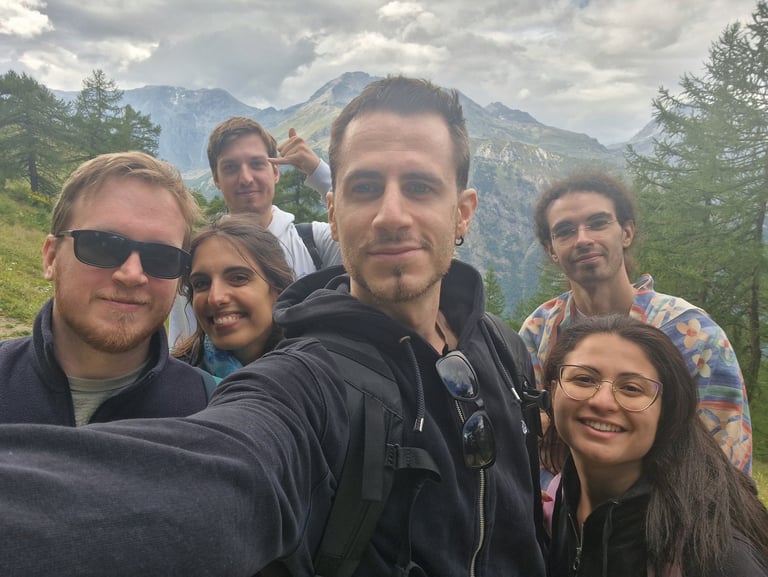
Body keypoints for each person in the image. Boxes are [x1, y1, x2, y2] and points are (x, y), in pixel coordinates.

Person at [0, 76, 545, 577]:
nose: (392, 215)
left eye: (421, 186)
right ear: (334, 212)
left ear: (463, 211)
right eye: (364, 188)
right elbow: (228, 472)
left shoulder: (500, 347)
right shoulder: (301, 381)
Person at [519, 171, 752, 473]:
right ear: (552, 250)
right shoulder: (539, 331)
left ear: (626, 233)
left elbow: (727, 461)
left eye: (598, 223)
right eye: (565, 231)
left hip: (669, 500)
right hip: (558, 501)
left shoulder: (693, 335)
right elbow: (525, 439)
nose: (583, 239)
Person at [541, 315, 768, 577]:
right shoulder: (559, 497)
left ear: (665, 411)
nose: (602, 402)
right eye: (584, 379)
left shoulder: (713, 555)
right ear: (553, 392)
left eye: (631, 388)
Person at [0, 151, 212, 426]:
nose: (132, 275)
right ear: (51, 258)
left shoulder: (210, 410)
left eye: (162, 257)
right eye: (102, 245)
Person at [168, 120, 342, 346]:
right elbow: (183, 348)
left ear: (276, 171)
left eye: (257, 164)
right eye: (231, 168)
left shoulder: (317, 242)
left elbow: (363, 223)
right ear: (216, 178)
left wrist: (317, 170)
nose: (246, 179)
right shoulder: (197, 259)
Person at [173, 215, 294, 378]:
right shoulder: (171, 382)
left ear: (277, 288)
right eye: (201, 284)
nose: (215, 298)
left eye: (238, 278)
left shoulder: (316, 374)